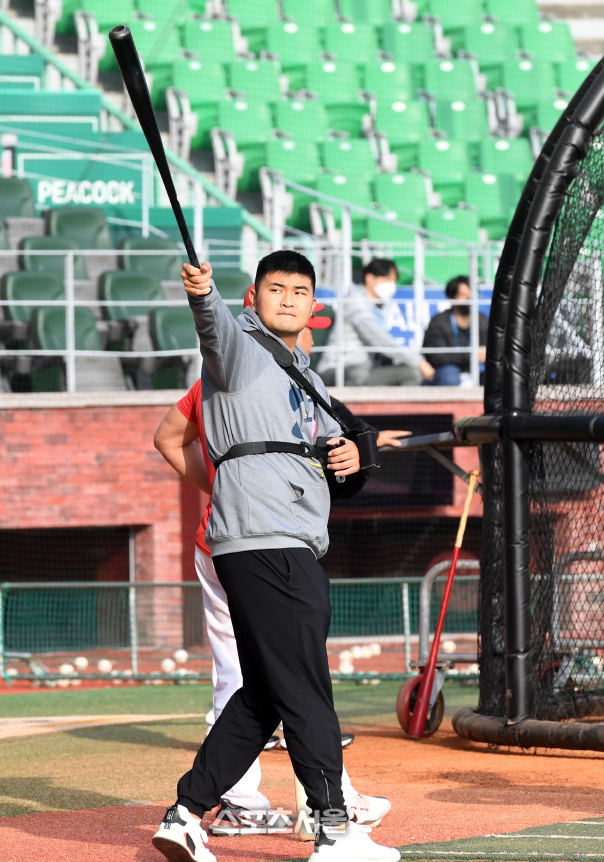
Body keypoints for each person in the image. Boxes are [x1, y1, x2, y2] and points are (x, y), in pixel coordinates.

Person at [151, 250, 400, 862]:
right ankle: (333, 828)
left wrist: (345, 457)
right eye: (275, 288)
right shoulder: (237, 345)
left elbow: (322, 453)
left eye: (299, 291)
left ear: (313, 306)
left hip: (284, 537)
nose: (287, 298)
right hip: (268, 540)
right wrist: (202, 293)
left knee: (266, 692)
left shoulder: (305, 376)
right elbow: (212, 324)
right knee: (309, 685)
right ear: (253, 298)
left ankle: (186, 813)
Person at [318, 258, 435, 386]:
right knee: (359, 373)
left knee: (411, 373)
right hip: (336, 369)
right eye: (388, 279)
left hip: (364, 369)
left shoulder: (379, 307)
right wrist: (418, 361)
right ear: (370, 279)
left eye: (394, 281)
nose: (392, 285)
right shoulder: (355, 302)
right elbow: (380, 340)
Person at [422, 275, 489, 386]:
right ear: (451, 298)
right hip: (446, 374)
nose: (469, 299)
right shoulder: (439, 322)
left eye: (472, 295)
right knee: (450, 374)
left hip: (475, 372)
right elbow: (436, 357)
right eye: (463, 295)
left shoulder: (482, 320)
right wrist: (473, 355)